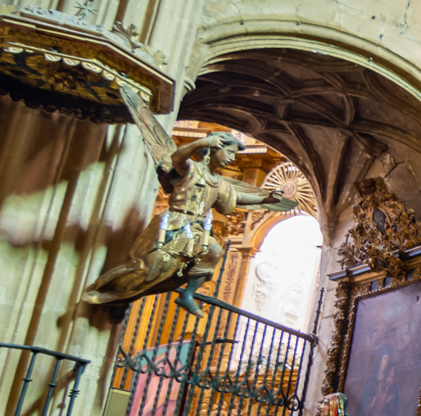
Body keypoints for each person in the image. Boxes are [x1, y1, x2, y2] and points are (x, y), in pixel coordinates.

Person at [83, 131, 294, 314]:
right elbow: (177, 157)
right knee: (154, 267)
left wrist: (265, 199)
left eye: (234, 155)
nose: (231, 157)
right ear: (214, 148)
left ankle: (187, 294)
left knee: (213, 251)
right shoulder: (190, 168)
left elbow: (239, 197)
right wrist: (201, 142)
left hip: (196, 230)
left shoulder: (219, 183)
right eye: (229, 152)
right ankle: (109, 291)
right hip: (174, 224)